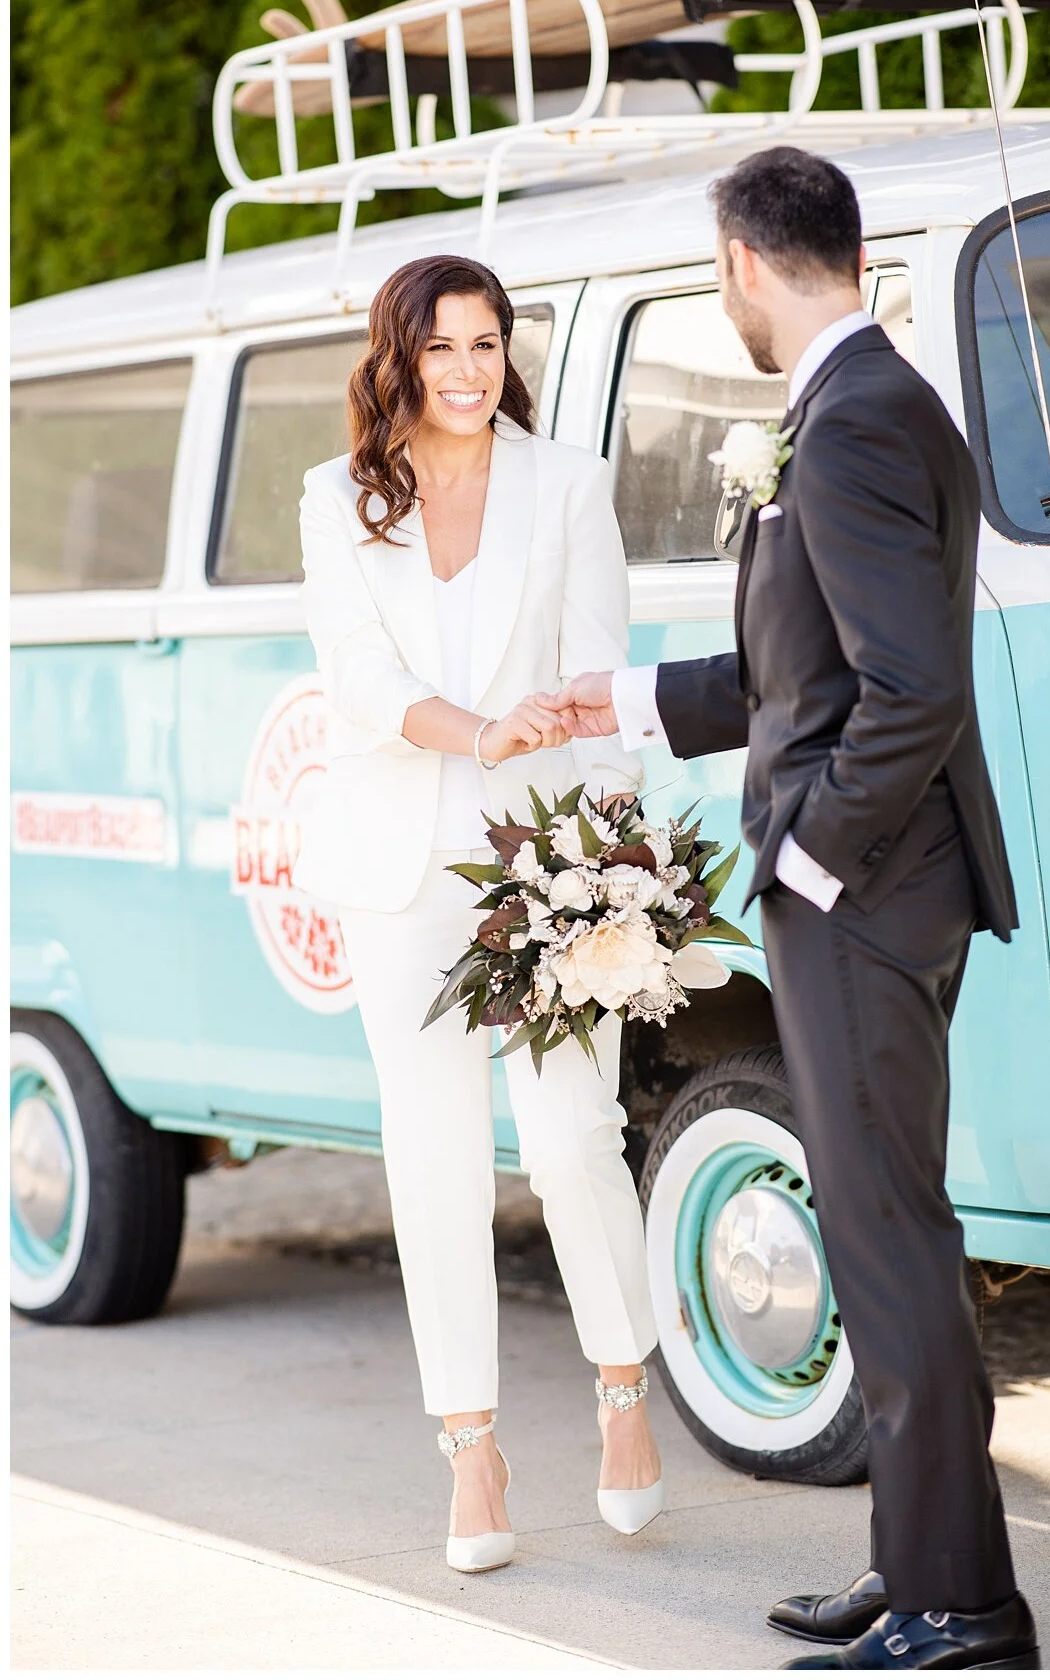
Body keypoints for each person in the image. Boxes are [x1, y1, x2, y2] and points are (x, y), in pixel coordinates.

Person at [543, 148, 1040, 1670]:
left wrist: (812, 860)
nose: (725, 297)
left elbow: (911, 692)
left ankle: (965, 1607)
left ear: (746, 263)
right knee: (882, 1228)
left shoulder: (854, 420)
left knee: (888, 1237)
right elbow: (800, 670)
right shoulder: (864, 402)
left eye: (720, 273)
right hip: (886, 888)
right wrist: (623, 699)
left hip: (866, 897)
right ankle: (921, 1565)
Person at [295, 254, 663, 1576]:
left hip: (548, 867)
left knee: (571, 1141)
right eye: (441, 347)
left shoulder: (566, 485)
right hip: (400, 874)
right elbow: (357, 677)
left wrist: (617, 864)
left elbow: (601, 680)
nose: (467, 370)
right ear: (397, 358)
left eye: (487, 344)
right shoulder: (336, 496)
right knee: (434, 1160)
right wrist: (479, 730)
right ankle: (471, 1447)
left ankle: (624, 1390)